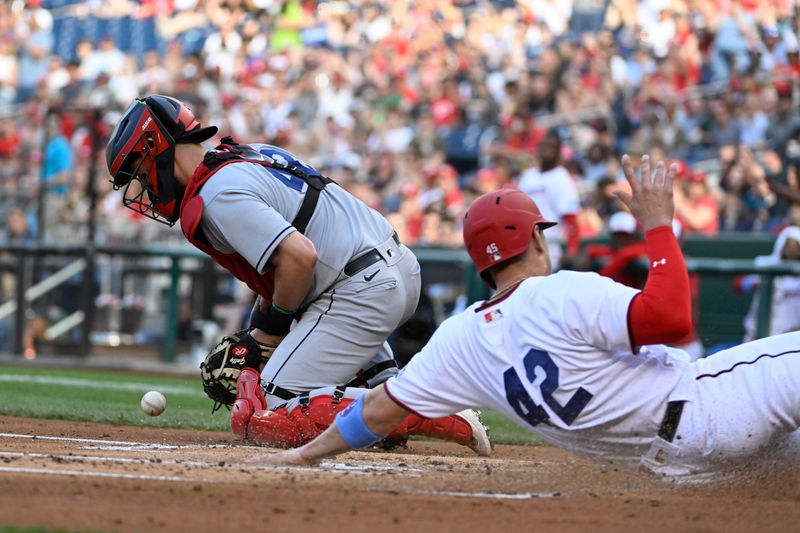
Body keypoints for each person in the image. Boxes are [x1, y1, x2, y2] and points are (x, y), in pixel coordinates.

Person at [250, 156, 800, 477]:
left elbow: (375, 413)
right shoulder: (560, 293)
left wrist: (306, 453)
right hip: (716, 405)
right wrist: (661, 227)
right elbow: (672, 316)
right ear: (536, 235)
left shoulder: (459, 340)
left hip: (678, 467)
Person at [104, 95, 490, 455]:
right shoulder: (249, 156)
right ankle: (378, 383)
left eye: (137, 170)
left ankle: (431, 409)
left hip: (356, 287)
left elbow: (299, 258)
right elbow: (287, 267)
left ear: (155, 146)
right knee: (306, 335)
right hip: (388, 271)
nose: (143, 188)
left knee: (271, 413)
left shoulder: (218, 193)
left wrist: (269, 332)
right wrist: (261, 328)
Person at [517, 131, 580, 269]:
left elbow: (570, 217)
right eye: (544, 147)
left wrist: (572, 248)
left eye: (551, 147)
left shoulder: (561, 177)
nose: (547, 151)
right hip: (523, 243)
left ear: (558, 152)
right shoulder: (528, 176)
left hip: (548, 244)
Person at [735, 226, 800, 342]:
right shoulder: (767, 265)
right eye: (788, 246)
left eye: (796, 247)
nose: (792, 251)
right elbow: (737, 285)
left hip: (791, 337)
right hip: (761, 335)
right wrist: (755, 283)